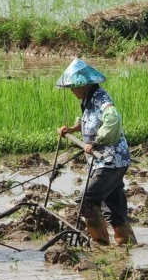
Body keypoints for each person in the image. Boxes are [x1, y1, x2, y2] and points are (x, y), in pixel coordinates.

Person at [55, 57, 135, 246]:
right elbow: (89, 120)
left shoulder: (102, 99)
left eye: (74, 87)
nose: (72, 91)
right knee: (113, 209)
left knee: (87, 203)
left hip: (110, 161)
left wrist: (96, 141)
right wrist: (73, 129)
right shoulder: (87, 100)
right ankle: (127, 245)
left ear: (84, 85)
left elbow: (112, 119)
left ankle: (101, 245)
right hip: (106, 162)